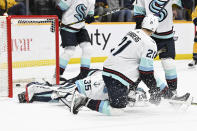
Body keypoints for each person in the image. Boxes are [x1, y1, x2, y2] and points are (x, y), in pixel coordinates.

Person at [70, 14, 191, 115]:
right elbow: (146, 73)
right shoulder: (150, 43)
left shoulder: (133, 32)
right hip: (116, 76)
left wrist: (154, 90)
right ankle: (84, 101)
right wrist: (154, 91)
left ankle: (168, 96)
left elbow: (136, 59)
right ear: (155, 28)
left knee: (147, 73)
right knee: (117, 110)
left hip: (111, 69)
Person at [133, 0, 193, 94]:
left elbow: (188, 5)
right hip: (149, 34)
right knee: (139, 64)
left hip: (166, 36)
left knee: (169, 64)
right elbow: (138, 12)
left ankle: (173, 92)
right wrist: (141, 34)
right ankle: (131, 90)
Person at [54, 0, 96, 84]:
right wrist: (58, 20)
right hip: (67, 27)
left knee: (88, 49)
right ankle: (57, 75)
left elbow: (90, 14)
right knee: (69, 51)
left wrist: (90, 18)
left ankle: (84, 74)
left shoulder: (92, 0)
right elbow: (59, 8)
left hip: (81, 28)